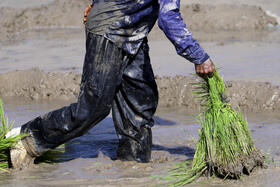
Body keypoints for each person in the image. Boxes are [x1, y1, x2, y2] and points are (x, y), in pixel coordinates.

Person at [7, 0, 215, 169]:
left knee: (141, 101)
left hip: (132, 33)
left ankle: (133, 163)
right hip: (110, 29)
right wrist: (198, 56)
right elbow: (168, 17)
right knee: (92, 108)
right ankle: (26, 138)